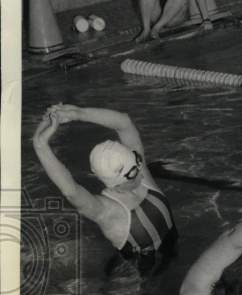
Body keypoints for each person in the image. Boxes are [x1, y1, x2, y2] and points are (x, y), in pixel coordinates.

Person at [32, 104, 177, 265]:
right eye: (135, 173)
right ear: (117, 182)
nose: (142, 172)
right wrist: (40, 145)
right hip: (150, 276)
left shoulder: (139, 172)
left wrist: (77, 113)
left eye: (138, 164)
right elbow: (71, 191)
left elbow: (125, 123)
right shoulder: (106, 211)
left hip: (176, 248)